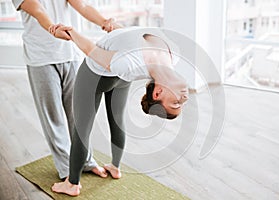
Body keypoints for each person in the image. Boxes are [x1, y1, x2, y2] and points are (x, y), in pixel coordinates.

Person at [51, 25, 189, 196]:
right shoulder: (173, 53)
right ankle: (115, 168)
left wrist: (70, 32)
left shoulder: (127, 63)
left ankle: (72, 184)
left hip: (95, 75)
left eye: (176, 103)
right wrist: (117, 32)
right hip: (120, 78)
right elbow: (135, 36)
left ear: (158, 92)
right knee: (117, 122)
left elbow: (90, 49)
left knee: (82, 129)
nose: (184, 99)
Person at [12, 0, 120, 180]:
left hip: (70, 55)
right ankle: (65, 168)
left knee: (78, 114)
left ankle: (86, 161)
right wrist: (53, 28)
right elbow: (37, 10)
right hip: (40, 59)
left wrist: (105, 22)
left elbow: (83, 6)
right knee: (53, 117)